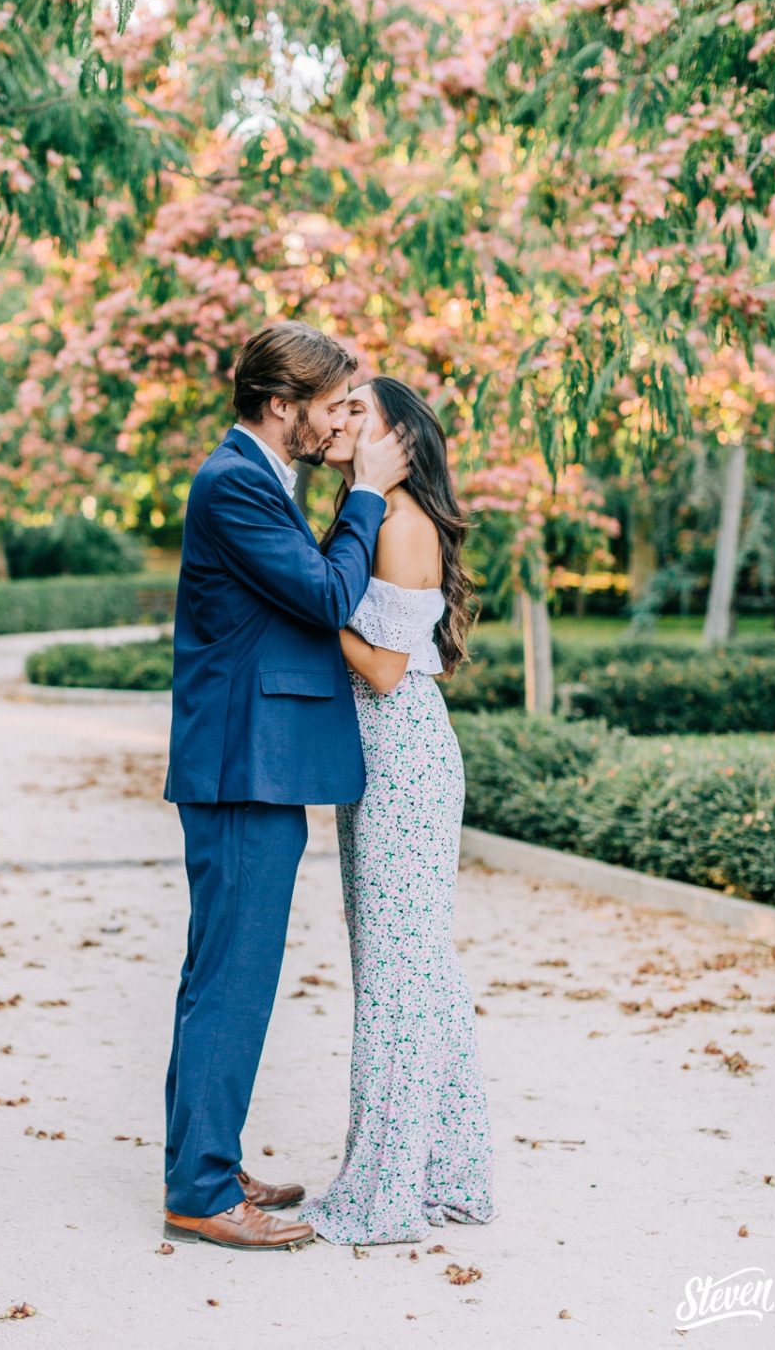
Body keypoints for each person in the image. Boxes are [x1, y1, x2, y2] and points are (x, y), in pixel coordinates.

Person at [159, 320, 409, 1251]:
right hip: (240, 767)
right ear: (280, 405)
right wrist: (371, 497)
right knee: (232, 981)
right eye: (330, 405)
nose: (340, 420)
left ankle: (207, 1163)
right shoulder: (234, 485)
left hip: (255, 762)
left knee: (219, 976)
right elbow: (329, 596)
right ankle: (201, 1192)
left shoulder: (257, 479)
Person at [295, 374, 497, 1244]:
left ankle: (384, 1192)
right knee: (416, 974)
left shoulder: (404, 526)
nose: (338, 421)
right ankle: (448, 1173)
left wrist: (295, 606)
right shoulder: (369, 516)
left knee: (398, 979)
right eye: (337, 409)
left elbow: (380, 669)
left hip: (405, 758)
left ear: (399, 443)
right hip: (379, 758)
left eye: (357, 414)